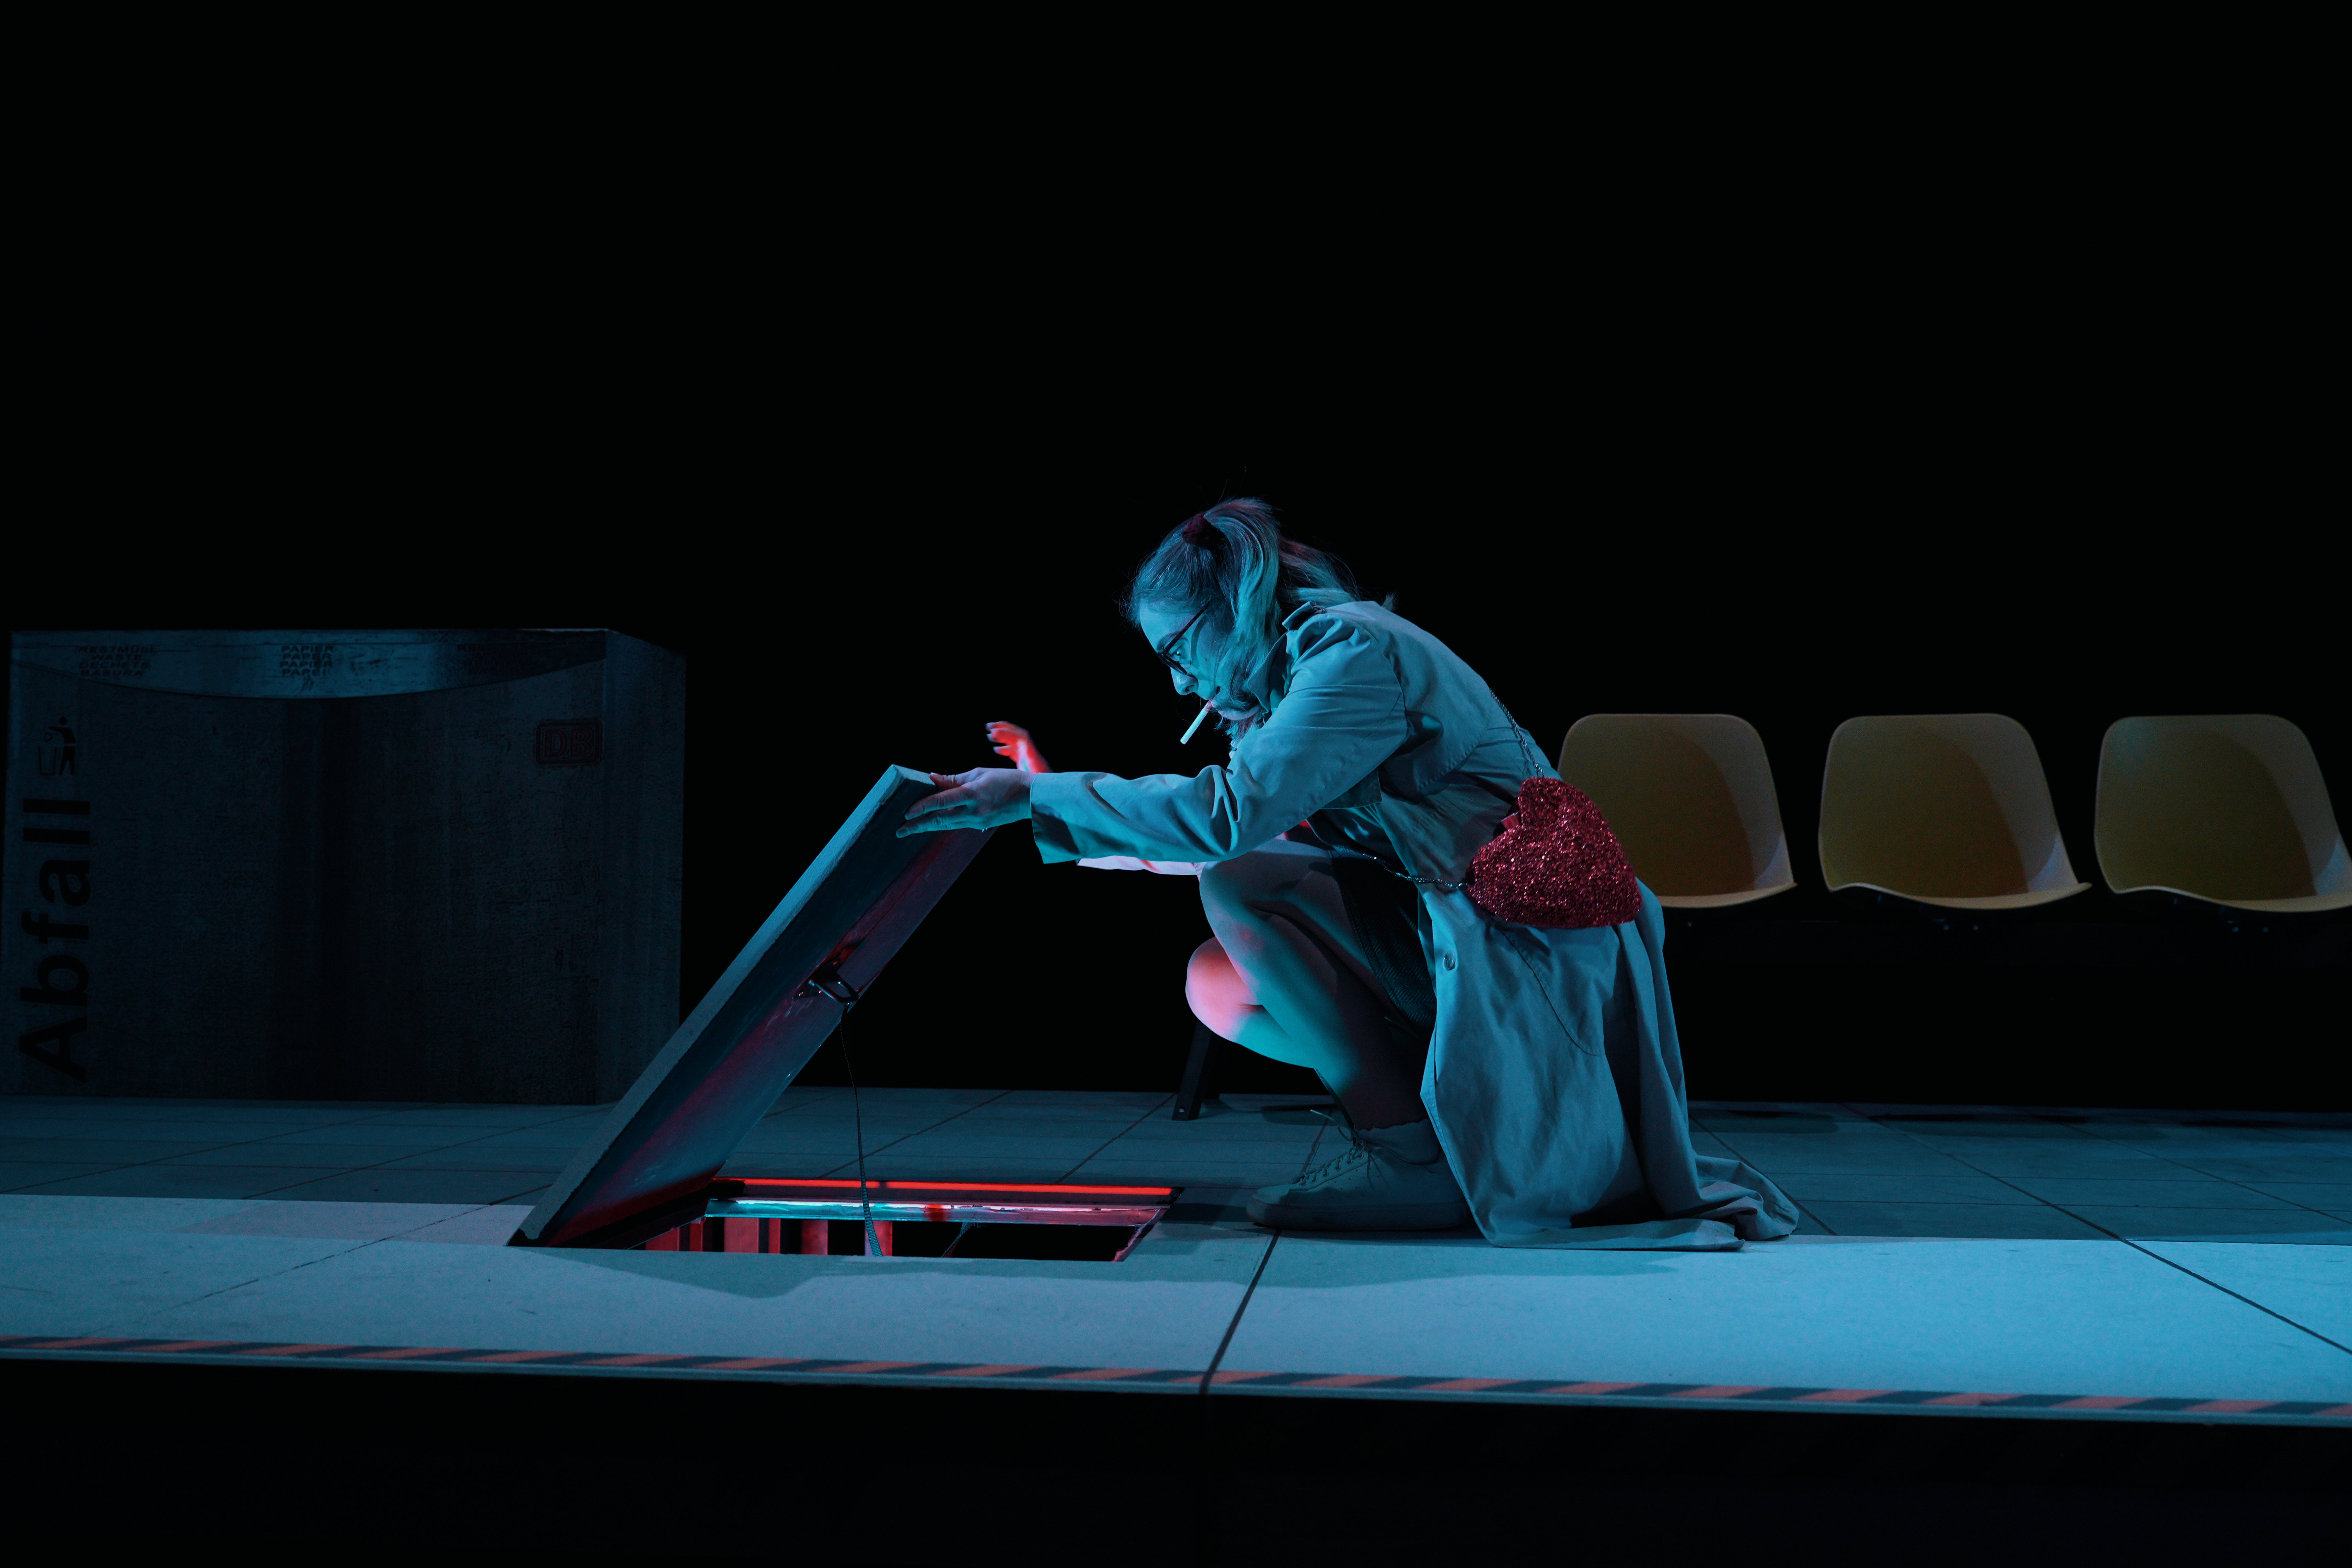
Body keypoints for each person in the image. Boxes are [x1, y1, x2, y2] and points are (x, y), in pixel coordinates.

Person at [900, 500, 1796, 1249]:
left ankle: (1408, 1154)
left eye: (1179, 651)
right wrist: (1047, 796)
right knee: (1217, 980)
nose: (1178, 685)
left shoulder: (1352, 655)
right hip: (1476, 929)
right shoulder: (1294, 681)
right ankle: (1446, 1130)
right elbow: (1233, 830)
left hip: (1532, 947)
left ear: (1233, 605)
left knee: (1242, 888)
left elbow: (1228, 825)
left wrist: (1036, 796)